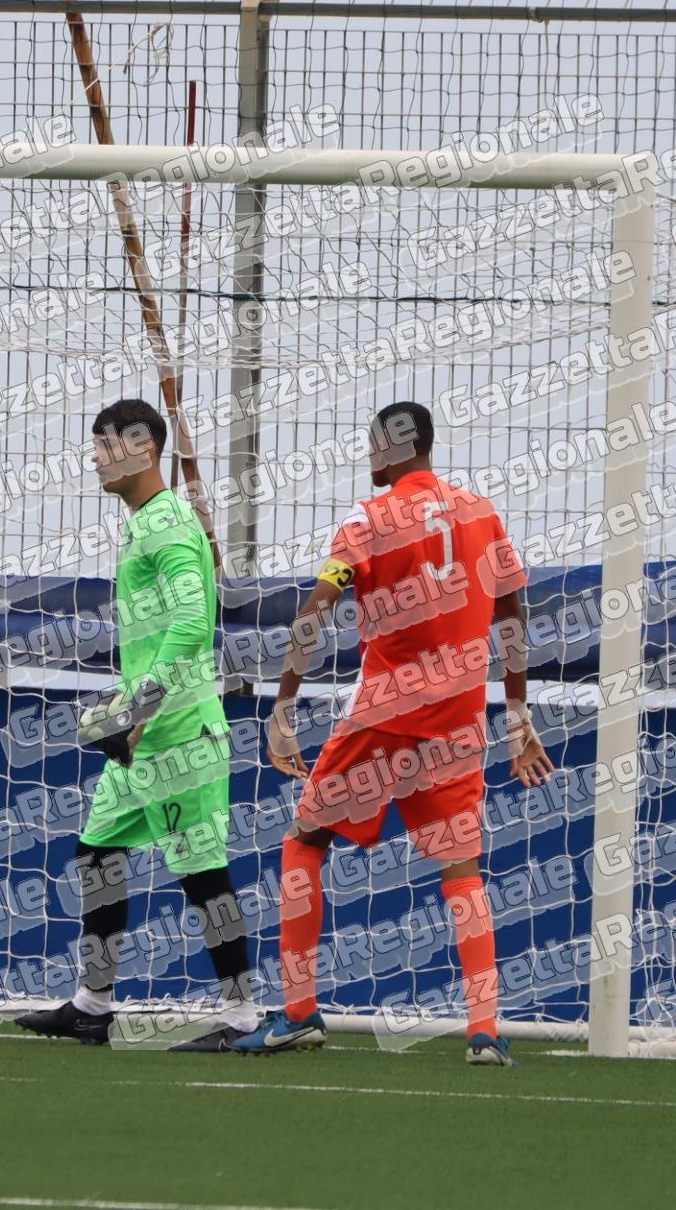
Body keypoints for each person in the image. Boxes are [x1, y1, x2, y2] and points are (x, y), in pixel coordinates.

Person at [236, 401, 554, 1065]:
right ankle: (484, 1032)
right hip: (459, 719)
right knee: (462, 873)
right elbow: (513, 613)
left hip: (383, 714)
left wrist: (283, 709)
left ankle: (299, 1012)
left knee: (304, 842)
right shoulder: (482, 514)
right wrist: (519, 715)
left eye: (371, 445)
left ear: (387, 448)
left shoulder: (367, 519)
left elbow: (315, 612)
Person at [16, 397, 261, 1051]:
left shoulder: (167, 523)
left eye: (105, 444)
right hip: (141, 739)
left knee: (203, 875)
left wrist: (139, 709)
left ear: (144, 448)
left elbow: (192, 623)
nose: (96, 457)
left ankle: (243, 1017)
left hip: (178, 736)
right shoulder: (146, 521)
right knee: (98, 853)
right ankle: (92, 1005)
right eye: (95, 445)